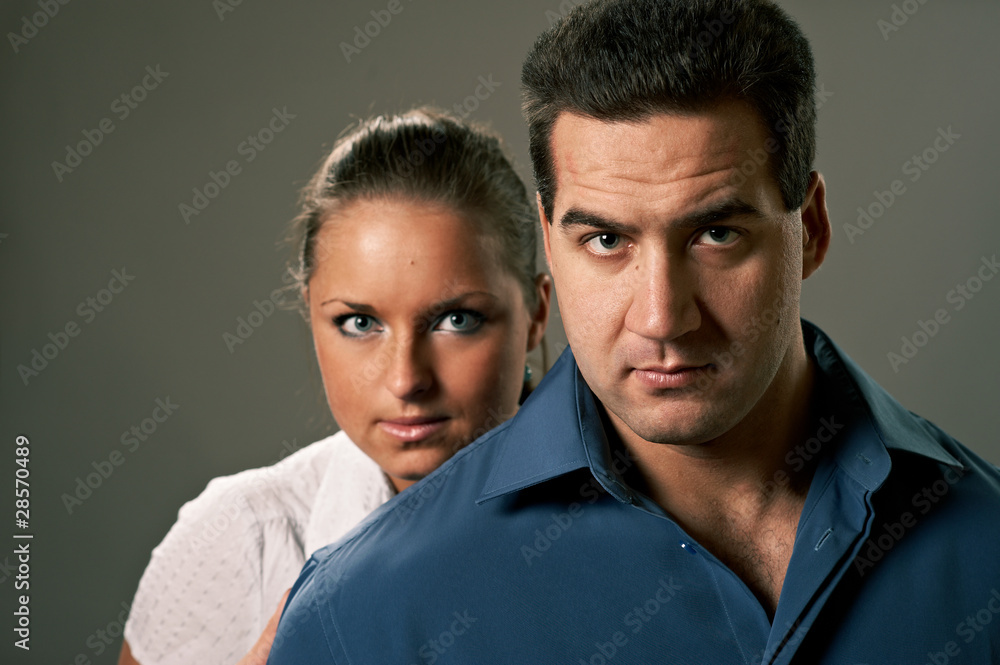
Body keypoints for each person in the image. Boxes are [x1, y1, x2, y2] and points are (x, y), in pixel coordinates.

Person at [266, 1, 1000, 663]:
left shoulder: (984, 548)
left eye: (715, 234)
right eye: (607, 241)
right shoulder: (361, 622)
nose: (661, 318)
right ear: (548, 242)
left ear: (808, 227)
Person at [117, 107, 551, 665]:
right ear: (310, 313)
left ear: (536, 313)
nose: (406, 379)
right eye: (360, 322)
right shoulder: (241, 538)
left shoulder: (636, 526)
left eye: (456, 320)